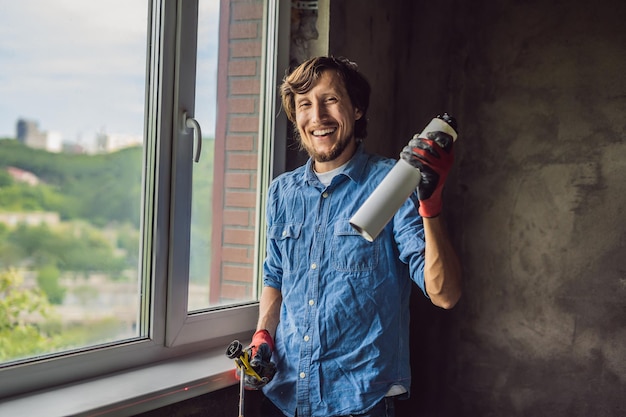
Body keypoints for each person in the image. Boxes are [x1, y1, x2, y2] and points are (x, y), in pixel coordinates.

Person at [241, 56, 462, 417]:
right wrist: (263, 334)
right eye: (305, 104)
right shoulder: (281, 192)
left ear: (357, 108)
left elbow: (446, 293)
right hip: (286, 397)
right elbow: (276, 277)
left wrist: (430, 204)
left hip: (361, 403)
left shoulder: (392, 184)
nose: (318, 116)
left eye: (330, 100)